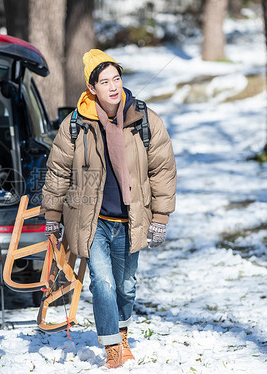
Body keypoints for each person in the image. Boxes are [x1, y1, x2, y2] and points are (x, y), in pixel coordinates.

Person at [41, 49, 177, 369]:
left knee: (126, 286)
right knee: (102, 283)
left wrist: (160, 217)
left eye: (116, 78)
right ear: (92, 88)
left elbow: (163, 168)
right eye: (105, 81)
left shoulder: (143, 118)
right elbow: (59, 170)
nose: (114, 86)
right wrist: (52, 215)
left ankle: (123, 330)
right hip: (93, 220)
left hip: (131, 219)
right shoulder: (75, 124)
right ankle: (112, 347)